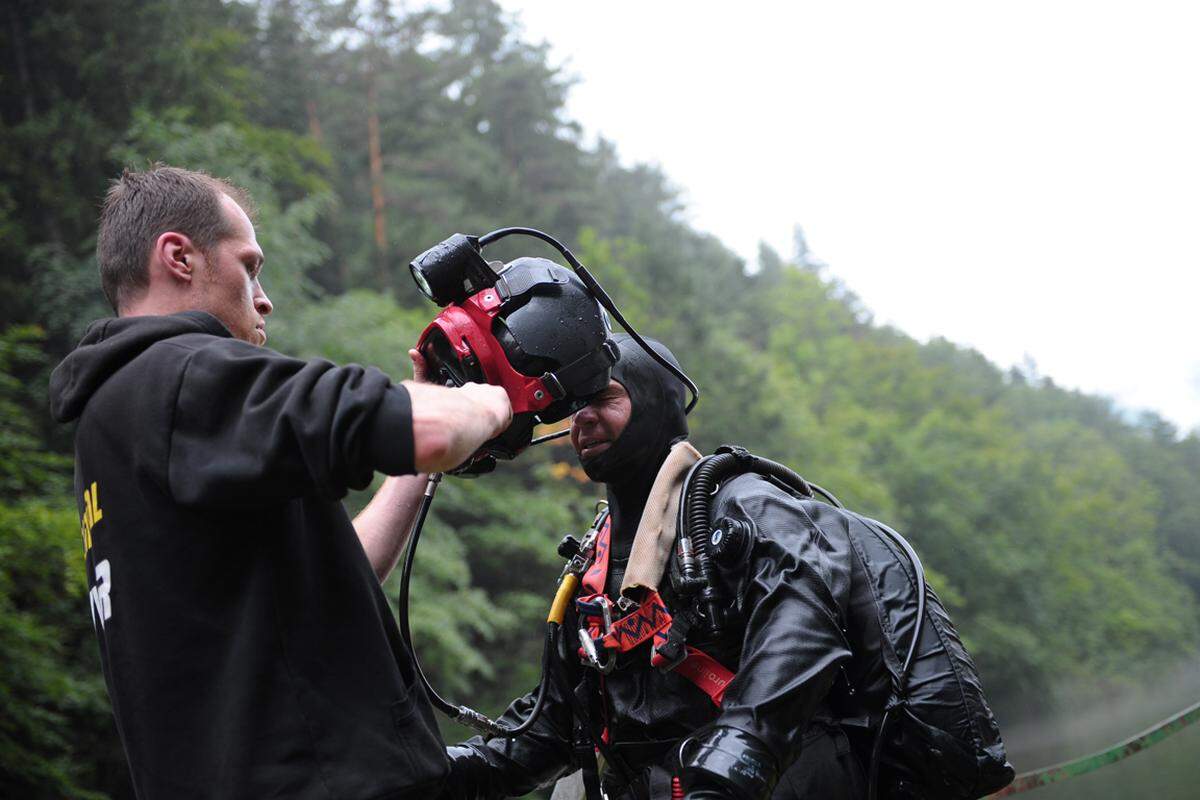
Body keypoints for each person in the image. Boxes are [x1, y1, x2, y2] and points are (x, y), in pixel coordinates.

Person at [48, 165, 512, 800]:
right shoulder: (182, 374)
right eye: (249, 266)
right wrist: (493, 405)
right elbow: (423, 429)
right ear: (179, 256)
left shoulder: (112, 422)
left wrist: (421, 460)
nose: (263, 298)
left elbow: (337, 572)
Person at [441, 335, 1011, 800]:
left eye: (607, 398)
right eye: (575, 407)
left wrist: (739, 755)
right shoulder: (592, 566)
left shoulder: (739, 504)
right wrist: (438, 771)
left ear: (659, 403)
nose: (583, 419)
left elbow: (805, 618)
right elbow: (548, 731)